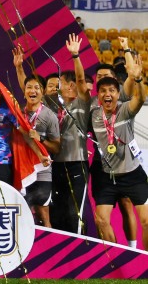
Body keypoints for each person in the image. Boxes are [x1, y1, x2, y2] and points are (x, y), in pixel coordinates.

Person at [89, 55, 148, 248]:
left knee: (147, 221)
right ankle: (116, 259)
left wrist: (138, 79)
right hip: (108, 177)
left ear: (118, 93)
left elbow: (140, 98)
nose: (108, 94)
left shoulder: (125, 110)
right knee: (101, 220)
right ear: (98, 95)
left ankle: (144, 260)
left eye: (112, 90)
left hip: (133, 175)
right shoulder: (94, 116)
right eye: (103, 91)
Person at [51, 34, 92, 234]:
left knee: (74, 213)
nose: (57, 85)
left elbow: (81, 80)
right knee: (57, 213)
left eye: (60, 82)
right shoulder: (53, 106)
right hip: (56, 164)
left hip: (77, 163)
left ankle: (79, 247)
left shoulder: (82, 103)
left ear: (70, 85)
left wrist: (75, 55)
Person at [21, 75, 60, 226]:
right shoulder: (18, 114)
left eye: (37, 88)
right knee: (21, 214)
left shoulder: (49, 116)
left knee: (43, 216)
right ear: (24, 91)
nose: (33, 91)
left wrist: (40, 139)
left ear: (43, 92)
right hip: (22, 170)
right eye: (29, 87)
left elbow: (56, 147)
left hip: (42, 170)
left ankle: (48, 240)